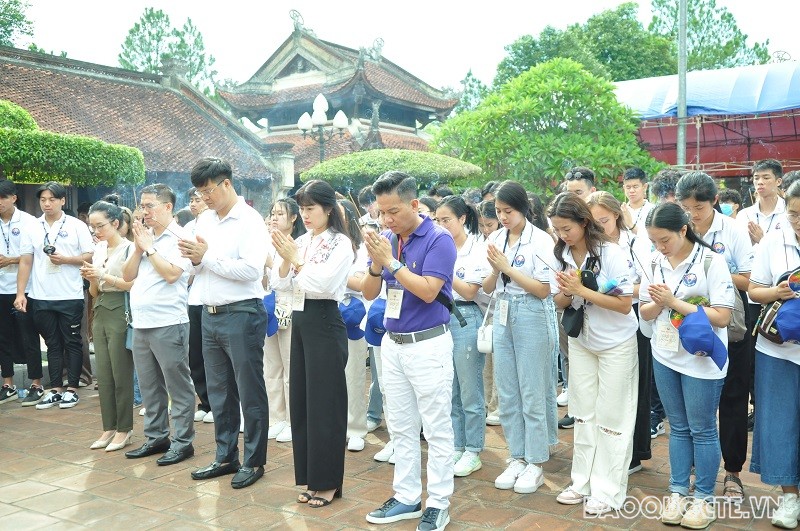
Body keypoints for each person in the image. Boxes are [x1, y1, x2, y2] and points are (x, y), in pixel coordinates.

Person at [362, 171, 456, 531]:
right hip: (393, 343)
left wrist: (391, 262)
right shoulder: (387, 239)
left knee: (436, 427)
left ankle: (439, 502)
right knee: (400, 426)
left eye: (394, 211)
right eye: (381, 212)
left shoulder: (438, 239)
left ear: (414, 204)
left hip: (428, 344)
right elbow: (369, 292)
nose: (387, 220)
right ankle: (406, 496)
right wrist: (376, 263)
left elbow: (429, 291)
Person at [639, 202, 734, 528]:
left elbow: (722, 316)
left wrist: (673, 302)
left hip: (701, 360)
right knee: (678, 427)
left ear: (683, 230)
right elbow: (644, 312)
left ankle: (704, 498)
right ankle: (678, 491)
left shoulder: (710, 261)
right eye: (654, 241)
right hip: (664, 353)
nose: (659, 247)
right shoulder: (654, 261)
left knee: (702, 428)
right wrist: (656, 304)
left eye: (664, 240)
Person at [180, 158, 270, 489]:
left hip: (242, 312)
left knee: (249, 390)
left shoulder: (250, 220)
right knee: (219, 392)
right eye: (199, 193)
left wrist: (206, 257)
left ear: (227, 184)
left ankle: (254, 460)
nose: (204, 198)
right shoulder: (204, 219)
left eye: (208, 191)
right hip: (209, 312)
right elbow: (197, 267)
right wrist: (193, 259)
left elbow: (251, 270)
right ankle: (225, 455)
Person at [549, 192, 639, 515]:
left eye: (567, 228)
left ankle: (608, 489)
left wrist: (582, 290)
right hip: (581, 340)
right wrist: (565, 291)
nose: (563, 235)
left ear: (584, 223)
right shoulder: (560, 254)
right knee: (583, 412)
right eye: (557, 229)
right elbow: (558, 302)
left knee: (613, 415)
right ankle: (581, 481)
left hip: (616, 342)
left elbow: (624, 304)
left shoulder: (611, 253)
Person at [272, 179, 352, 508]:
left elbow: (324, 284)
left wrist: (296, 260)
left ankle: (328, 482)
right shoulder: (301, 241)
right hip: (301, 321)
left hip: (325, 320)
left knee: (325, 405)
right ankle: (310, 477)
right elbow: (279, 283)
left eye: (311, 208)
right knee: (303, 403)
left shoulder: (341, 243)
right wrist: (286, 258)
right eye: (302, 209)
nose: (305, 215)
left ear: (328, 209)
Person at [676, 171, 754, 503]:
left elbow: (749, 279)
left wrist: (713, 274)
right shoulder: (678, 228)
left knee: (733, 397)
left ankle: (733, 472)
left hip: (729, 323)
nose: (693, 214)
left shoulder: (732, 230)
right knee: (695, 402)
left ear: (715, 202)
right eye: (686, 207)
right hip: (689, 324)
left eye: (699, 207)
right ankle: (698, 469)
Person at [482, 180, 557, 496]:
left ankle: (536, 461)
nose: (502, 217)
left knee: (531, 388)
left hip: (531, 312)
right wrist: (495, 270)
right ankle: (517, 456)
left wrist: (508, 268)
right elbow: (487, 287)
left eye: (508, 211)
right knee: (508, 389)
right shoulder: (495, 237)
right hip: (502, 310)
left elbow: (544, 290)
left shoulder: (541, 240)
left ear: (523, 209)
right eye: (498, 211)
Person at [121, 183, 196, 466]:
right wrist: (138, 249)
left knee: (178, 386)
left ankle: (183, 442)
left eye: (150, 206)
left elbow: (172, 274)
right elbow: (127, 276)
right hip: (141, 322)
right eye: (142, 206)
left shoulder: (181, 236)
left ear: (167, 207)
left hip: (168, 322)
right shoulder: (145, 237)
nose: (144, 212)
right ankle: (156, 437)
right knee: (150, 386)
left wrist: (150, 249)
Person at [586, 191, 653, 475]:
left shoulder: (635, 242)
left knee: (634, 387)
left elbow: (648, 284)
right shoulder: (590, 246)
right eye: (593, 222)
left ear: (616, 214)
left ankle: (634, 453)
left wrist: (613, 289)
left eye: (603, 220)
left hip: (633, 316)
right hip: (600, 319)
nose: (599, 227)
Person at [748, 180, 800, 529]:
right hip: (777, 349)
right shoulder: (773, 241)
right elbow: (754, 291)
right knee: (780, 421)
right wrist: (777, 291)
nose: (798, 222)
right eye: (794, 214)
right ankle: (789, 496)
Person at [15, 182, 94, 410]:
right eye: (43, 200)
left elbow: (90, 255)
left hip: (70, 295)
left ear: (62, 201)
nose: (47, 204)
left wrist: (66, 260)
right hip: (41, 295)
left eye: (52, 199)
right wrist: (21, 293)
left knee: (72, 341)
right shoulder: (32, 226)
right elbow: (26, 260)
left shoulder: (77, 225)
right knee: (52, 343)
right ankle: (56, 389)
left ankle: (72, 389)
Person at [434, 195, 489, 477]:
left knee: (470, 388)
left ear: (462, 219)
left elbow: (469, 292)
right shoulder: (437, 245)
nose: (441, 225)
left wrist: (443, 271)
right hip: (440, 317)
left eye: (447, 220)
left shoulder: (477, 249)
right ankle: (458, 444)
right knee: (450, 388)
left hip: (466, 317)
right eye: (438, 220)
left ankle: (473, 449)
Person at [80, 200, 135, 451]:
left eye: (100, 225)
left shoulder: (129, 248)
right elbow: (94, 291)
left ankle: (124, 428)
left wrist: (102, 275)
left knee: (120, 371)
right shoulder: (99, 249)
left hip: (120, 308)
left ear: (115, 223)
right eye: (92, 227)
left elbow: (131, 284)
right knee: (103, 373)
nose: (96, 231)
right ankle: (108, 426)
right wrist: (92, 277)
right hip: (100, 307)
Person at [263, 198, 305, 444]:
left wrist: (275, 261)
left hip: (291, 304)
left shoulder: (299, 244)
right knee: (271, 366)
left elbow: (286, 280)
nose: (274, 218)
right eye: (273, 213)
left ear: (293, 218)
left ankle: (291, 420)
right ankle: (276, 418)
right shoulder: (267, 243)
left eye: (280, 213)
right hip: (270, 305)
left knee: (291, 366)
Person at [0, 180, 43, 406]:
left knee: (29, 337)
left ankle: (36, 383)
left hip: (24, 289)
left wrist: (11, 260)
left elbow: (37, 254)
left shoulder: (29, 222)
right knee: (3, 337)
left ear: (14, 198)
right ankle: (8, 384)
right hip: (1, 288)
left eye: (3, 198)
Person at [338, 199, 370, 452]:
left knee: (354, 375)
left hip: (352, 316)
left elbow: (362, 283)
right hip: (327, 314)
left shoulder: (363, 249)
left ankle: (356, 428)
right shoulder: (324, 244)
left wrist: (333, 275)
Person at [182, 187, 213, 424]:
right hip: (193, 297)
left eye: (199, 199)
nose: (194, 203)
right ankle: (204, 401)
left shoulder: (213, 225)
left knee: (214, 356)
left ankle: (218, 404)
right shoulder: (186, 228)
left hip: (211, 297)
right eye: (192, 199)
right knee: (196, 354)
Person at [738, 159, 785, 246]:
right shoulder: (744, 215)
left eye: (766, 178)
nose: (760, 182)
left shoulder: (789, 212)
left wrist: (762, 240)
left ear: (778, 181)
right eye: (756, 178)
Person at [621, 167, 653, 235]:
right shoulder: (621, 212)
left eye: (635, 187)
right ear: (624, 188)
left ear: (645, 187)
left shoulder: (653, 210)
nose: (631, 191)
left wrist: (631, 225)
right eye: (628, 187)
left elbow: (653, 237)